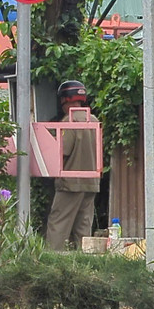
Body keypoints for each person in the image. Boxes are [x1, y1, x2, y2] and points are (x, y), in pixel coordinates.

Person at [46, 80, 101, 251]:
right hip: (91, 183)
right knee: (83, 229)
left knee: (58, 224)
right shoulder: (93, 120)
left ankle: (52, 260)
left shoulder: (68, 122)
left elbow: (62, 151)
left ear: (64, 99)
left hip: (70, 183)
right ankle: (84, 261)